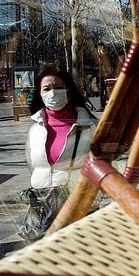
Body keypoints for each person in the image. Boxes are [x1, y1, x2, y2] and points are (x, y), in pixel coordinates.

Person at [26, 63, 98, 197]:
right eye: (46, 89)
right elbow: (32, 165)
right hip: (44, 205)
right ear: (40, 94)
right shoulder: (35, 128)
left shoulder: (90, 126)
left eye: (58, 87)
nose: (52, 93)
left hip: (79, 204)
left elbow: (102, 166)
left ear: (68, 91)